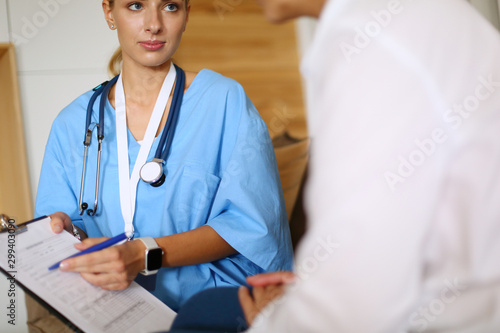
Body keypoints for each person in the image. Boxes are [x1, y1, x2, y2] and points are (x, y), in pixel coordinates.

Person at [236, 0, 500, 332]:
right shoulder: (417, 17)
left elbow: (353, 309)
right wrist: (321, 280)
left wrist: (269, 322)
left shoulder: (376, 46)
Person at [34, 0, 293, 320]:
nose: (154, 23)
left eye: (170, 6)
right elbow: (67, 229)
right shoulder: (72, 123)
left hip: (208, 308)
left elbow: (252, 227)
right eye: (135, 6)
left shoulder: (223, 101)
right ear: (108, 12)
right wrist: (65, 231)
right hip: (111, 310)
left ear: (186, 15)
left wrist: (144, 254)